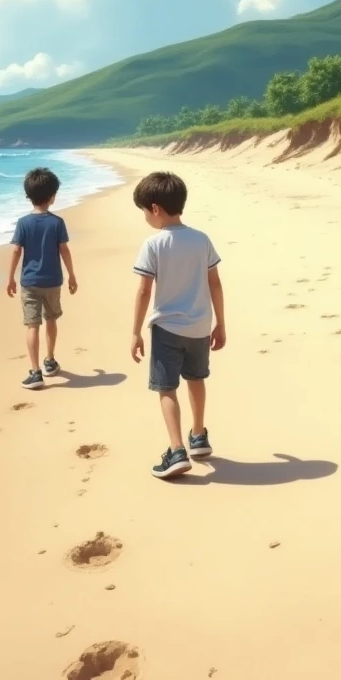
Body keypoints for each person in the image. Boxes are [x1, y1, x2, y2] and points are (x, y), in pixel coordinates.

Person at [131, 171, 226, 479]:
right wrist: (220, 323)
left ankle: (176, 451)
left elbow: (144, 290)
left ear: (155, 208)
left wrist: (135, 332)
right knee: (196, 379)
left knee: (166, 388)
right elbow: (215, 283)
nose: (146, 216)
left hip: (167, 328)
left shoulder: (154, 244)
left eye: (145, 211)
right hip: (200, 326)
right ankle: (198, 436)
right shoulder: (201, 240)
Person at [7, 167, 78, 389]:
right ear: (52, 197)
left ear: (29, 197)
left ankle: (35, 371)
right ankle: (49, 360)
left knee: (32, 325)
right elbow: (64, 250)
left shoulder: (23, 223)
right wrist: (72, 275)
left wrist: (10, 278)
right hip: (53, 281)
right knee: (51, 320)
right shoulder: (57, 223)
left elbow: (16, 251)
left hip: (29, 282)